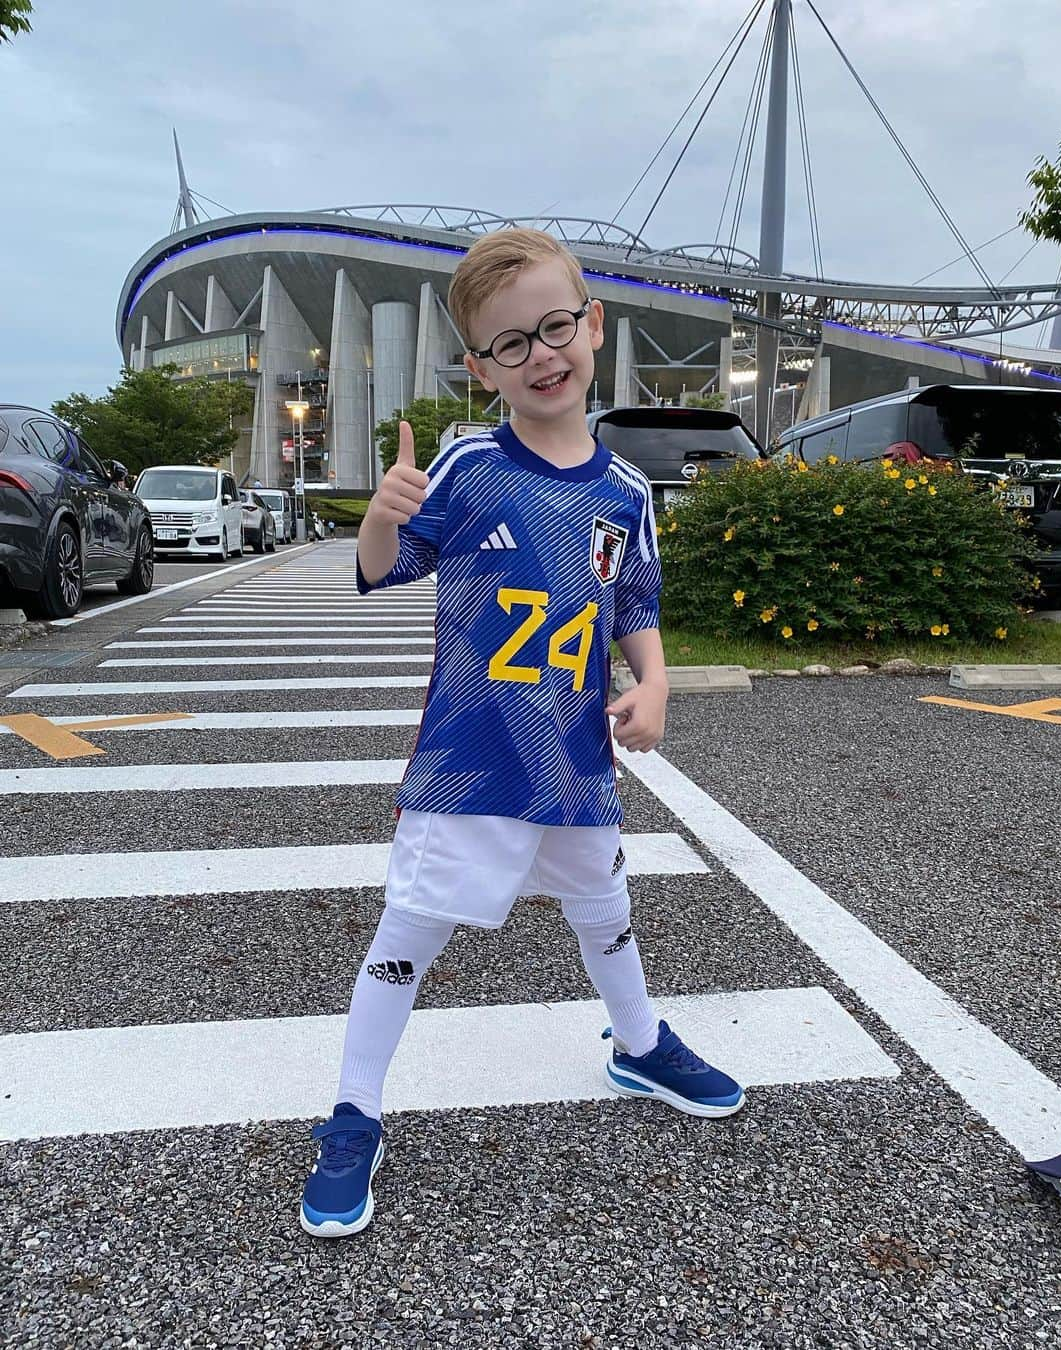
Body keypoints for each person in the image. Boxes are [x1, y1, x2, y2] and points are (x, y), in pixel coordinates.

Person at [300, 228, 745, 1240]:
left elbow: (633, 603)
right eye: (512, 344)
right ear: (480, 366)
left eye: (555, 329)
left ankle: (638, 1044)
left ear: (592, 325)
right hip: (468, 760)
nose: (542, 356)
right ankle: (354, 1110)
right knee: (410, 928)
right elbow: (381, 569)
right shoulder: (465, 467)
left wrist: (658, 683)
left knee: (605, 906)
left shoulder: (626, 494)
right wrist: (380, 513)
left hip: (572, 759)